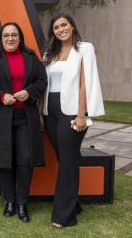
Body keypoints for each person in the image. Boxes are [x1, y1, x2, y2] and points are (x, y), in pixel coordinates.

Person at [0, 22, 47, 223]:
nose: (10, 38)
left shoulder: (31, 57)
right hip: (1, 117)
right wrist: (0, 96)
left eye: (14, 35)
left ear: (20, 37)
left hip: (26, 117)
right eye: (6, 35)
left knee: (25, 159)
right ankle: (9, 201)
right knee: (5, 161)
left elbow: (42, 81)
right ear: (1, 38)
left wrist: (29, 92)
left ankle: (22, 203)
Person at [42, 13, 105, 228]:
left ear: (72, 26)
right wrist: (42, 112)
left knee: (68, 161)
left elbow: (85, 83)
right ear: (53, 32)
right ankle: (74, 203)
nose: (61, 29)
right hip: (50, 110)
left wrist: (81, 114)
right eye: (56, 27)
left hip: (72, 110)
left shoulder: (84, 48)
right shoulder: (50, 54)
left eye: (64, 25)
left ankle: (63, 215)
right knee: (65, 157)